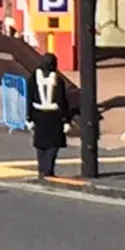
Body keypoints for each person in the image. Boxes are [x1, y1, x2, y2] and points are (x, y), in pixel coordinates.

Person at [26, 50, 75, 179]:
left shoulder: (33, 78)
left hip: (38, 113)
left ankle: (41, 169)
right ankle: (48, 170)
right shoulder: (57, 79)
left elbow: (29, 98)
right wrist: (66, 120)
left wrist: (28, 117)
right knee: (53, 144)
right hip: (54, 115)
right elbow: (61, 100)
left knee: (40, 144)